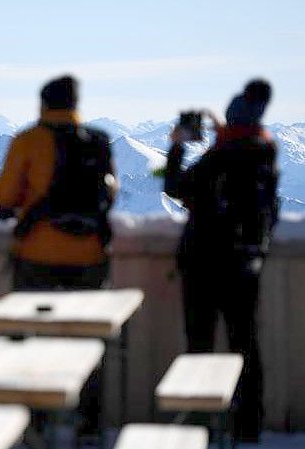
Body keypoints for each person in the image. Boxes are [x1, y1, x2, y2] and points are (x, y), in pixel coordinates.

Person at [0, 74, 118, 436]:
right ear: (77, 105)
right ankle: (89, 426)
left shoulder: (29, 141)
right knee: (90, 343)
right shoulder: (98, 141)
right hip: (91, 258)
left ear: (43, 103)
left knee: (31, 342)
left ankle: (36, 424)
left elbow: (5, 196)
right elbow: (110, 194)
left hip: (38, 257)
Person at [164, 79, 279, 443]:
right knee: (244, 344)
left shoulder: (220, 157)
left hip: (204, 262)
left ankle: (201, 424)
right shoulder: (265, 152)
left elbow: (176, 187)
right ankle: (248, 426)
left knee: (200, 344)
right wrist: (223, 133)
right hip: (246, 263)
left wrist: (177, 147)